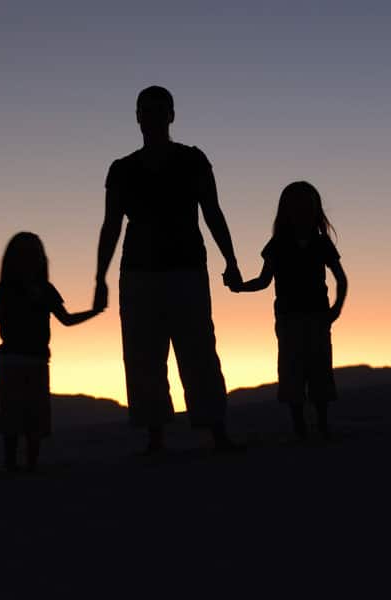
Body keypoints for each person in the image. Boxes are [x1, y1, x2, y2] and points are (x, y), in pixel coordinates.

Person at [94, 85, 241, 454]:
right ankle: (155, 435)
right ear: (138, 117)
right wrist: (100, 277)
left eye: (161, 109)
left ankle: (215, 429)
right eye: (147, 109)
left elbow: (212, 212)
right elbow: (111, 224)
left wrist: (231, 260)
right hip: (140, 273)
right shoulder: (123, 169)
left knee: (199, 351)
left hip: (186, 269)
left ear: (171, 115)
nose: (155, 116)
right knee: (144, 356)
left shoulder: (192, 160)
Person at [228, 181, 347, 440]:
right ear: (287, 210)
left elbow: (341, 279)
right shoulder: (279, 244)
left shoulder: (321, 243)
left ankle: (322, 425)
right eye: (296, 205)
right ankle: (300, 427)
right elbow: (263, 281)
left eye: (306, 204)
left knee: (318, 369)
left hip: (316, 316)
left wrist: (335, 310)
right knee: (293, 370)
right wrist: (239, 287)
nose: (301, 210)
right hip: (290, 317)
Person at [0, 232, 102, 472]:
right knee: (29, 412)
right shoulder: (36, 289)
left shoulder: (14, 288)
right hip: (26, 359)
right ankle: (26, 465)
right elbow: (66, 320)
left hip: (20, 359)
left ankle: (14, 465)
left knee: (16, 412)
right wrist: (94, 312)